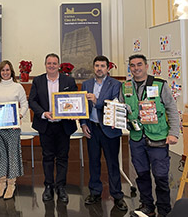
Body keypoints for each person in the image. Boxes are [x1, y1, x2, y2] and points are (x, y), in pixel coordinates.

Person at [121, 54, 179, 217]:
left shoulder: (159, 85)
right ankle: (147, 206)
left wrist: (174, 133)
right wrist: (116, 119)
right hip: (136, 137)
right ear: (130, 68)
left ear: (146, 66)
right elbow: (120, 108)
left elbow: (172, 109)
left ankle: (164, 209)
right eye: (132, 65)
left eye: (139, 64)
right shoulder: (125, 86)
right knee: (142, 174)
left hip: (158, 137)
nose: (136, 68)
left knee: (161, 176)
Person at [80, 56, 127, 211]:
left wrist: (96, 100)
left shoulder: (115, 84)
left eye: (102, 66)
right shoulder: (86, 84)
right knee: (93, 162)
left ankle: (118, 195)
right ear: (93, 67)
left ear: (108, 68)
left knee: (113, 163)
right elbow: (82, 107)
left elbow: (112, 105)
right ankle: (95, 192)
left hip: (109, 129)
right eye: (97, 65)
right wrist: (83, 123)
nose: (99, 68)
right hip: (92, 128)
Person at [28, 53, 77, 204]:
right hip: (46, 125)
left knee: (63, 157)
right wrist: (43, 113)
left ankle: (61, 187)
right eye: (49, 63)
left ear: (59, 65)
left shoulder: (69, 80)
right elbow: (32, 101)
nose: (51, 66)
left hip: (63, 125)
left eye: (54, 63)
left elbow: (75, 99)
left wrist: (70, 111)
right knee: (47, 157)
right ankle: (48, 186)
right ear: (45, 65)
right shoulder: (38, 80)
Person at [0, 60, 28, 200]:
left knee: (12, 154)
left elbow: (25, 104)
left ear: (12, 72)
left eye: (7, 70)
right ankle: (1, 183)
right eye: (3, 70)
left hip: (13, 127)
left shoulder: (18, 86)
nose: (5, 73)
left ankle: (11, 184)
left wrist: (20, 115)